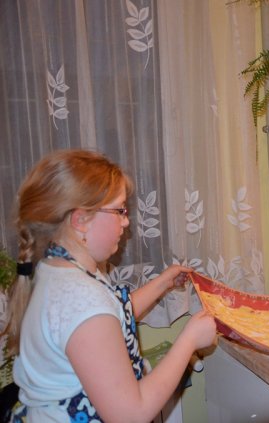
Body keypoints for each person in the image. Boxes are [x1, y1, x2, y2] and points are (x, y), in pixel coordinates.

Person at [3, 149, 217, 422]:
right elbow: (131, 414)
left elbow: (111, 318)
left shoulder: (58, 268)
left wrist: (163, 283)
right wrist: (189, 340)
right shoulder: (81, 299)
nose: (126, 221)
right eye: (120, 210)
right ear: (81, 220)